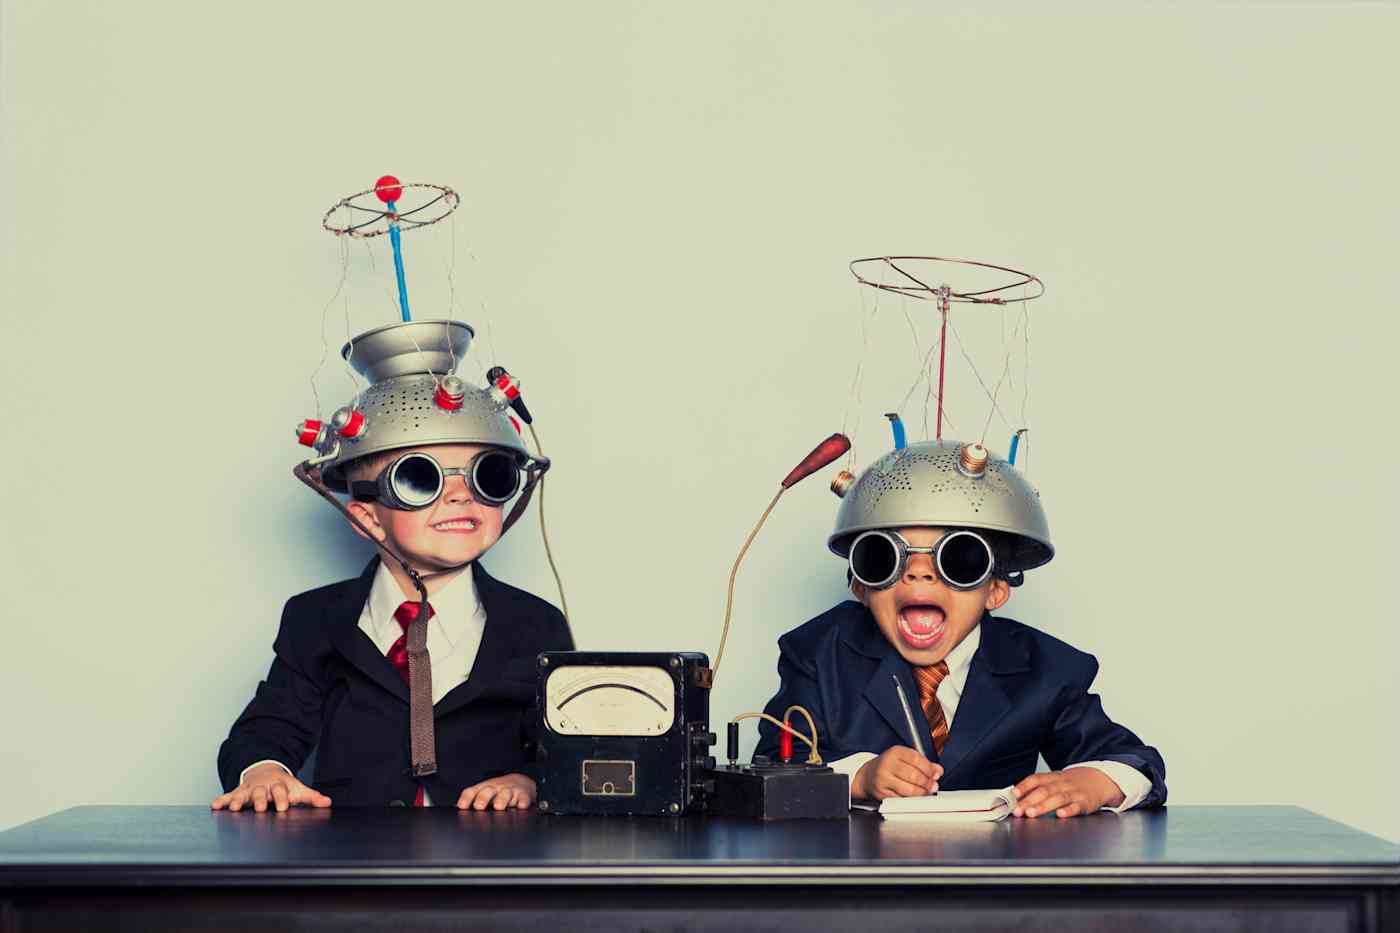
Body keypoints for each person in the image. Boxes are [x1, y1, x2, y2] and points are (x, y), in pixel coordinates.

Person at [213, 321, 570, 812]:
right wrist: (265, 771)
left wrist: (528, 781)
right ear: (365, 518)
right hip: (353, 865)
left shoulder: (535, 622)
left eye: (488, 474)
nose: (460, 493)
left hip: (486, 866)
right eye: (420, 479)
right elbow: (269, 726)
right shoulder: (317, 618)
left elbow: (566, 744)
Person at [756, 441, 1165, 817]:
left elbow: (1134, 761)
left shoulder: (1046, 669)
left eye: (959, 559)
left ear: (996, 591)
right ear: (861, 585)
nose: (919, 574)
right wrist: (858, 779)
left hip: (989, 880)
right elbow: (768, 768)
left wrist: (1094, 782)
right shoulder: (819, 652)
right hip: (862, 881)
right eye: (885, 558)